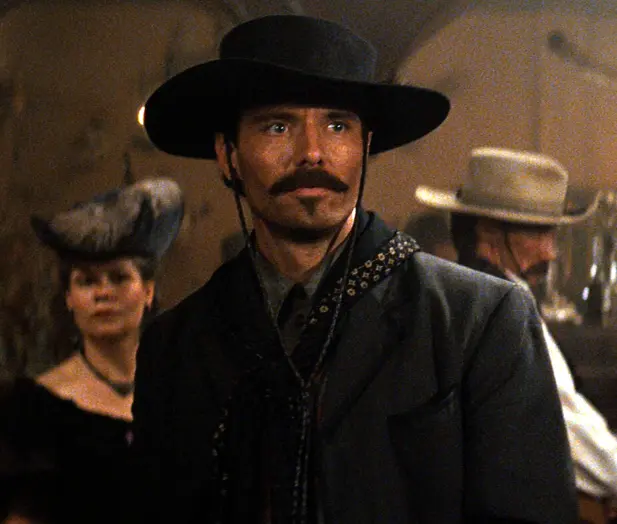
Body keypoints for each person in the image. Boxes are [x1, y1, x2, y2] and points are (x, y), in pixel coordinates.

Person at [132, 15, 577, 524]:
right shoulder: (177, 344)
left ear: (365, 147)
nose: (311, 152)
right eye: (277, 126)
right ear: (227, 154)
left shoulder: (478, 320)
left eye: (337, 125)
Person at [416, 146, 617, 517]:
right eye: (539, 233)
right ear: (489, 231)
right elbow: (560, 423)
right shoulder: (502, 307)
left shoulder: (460, 296)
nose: (551, 252)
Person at [0, 177, 183, 524]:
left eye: (119, 277)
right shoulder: (34, 410)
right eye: (86, 281)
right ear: (69, 298)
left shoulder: (185, 397)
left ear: (148, 291)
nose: (103, 293)